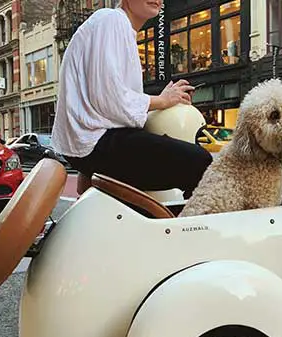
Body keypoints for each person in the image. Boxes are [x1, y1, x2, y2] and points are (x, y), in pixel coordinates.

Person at [51, 0, 213, 197]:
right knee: (202, 163)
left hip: (91, 144)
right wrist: (162, 101)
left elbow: (102, 97)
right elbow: (108, 98)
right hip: (97, 142)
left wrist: (163, 99)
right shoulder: (112, 20)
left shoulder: (117, 27)